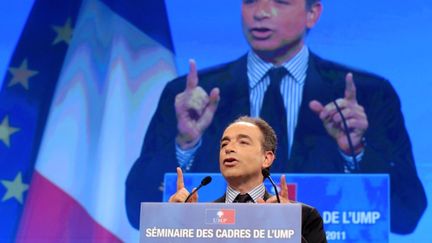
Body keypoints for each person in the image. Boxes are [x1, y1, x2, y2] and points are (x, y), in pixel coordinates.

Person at [126, 0, 427, 234]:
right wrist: (186, 144)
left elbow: (406, 214)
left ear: (313, 13)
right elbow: (137, 211)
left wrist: (355, 152)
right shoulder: (191, 96)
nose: (261, 13)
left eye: (280, 1)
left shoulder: (368, 95)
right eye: (250, 1)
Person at [168, 117, 327, 243]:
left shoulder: (303, 217)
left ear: (266, 158)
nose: (228, 149)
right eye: (224, 144)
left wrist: (286, 230)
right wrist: (175, 222)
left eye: (243, 142)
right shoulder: (200, 217)